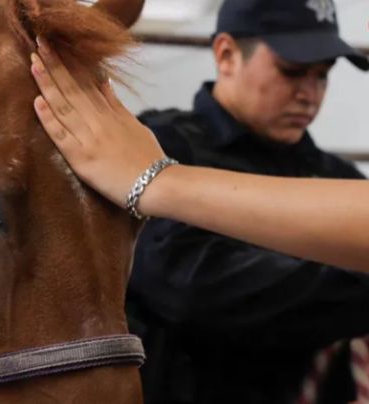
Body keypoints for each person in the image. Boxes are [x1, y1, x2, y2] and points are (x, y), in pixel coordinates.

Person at [30, 0, 369, 402]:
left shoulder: (336, 176)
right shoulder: (156, 148)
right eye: (291, 71)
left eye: (322, 76)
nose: (309, 94)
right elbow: (192, 288)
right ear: (226, 54)